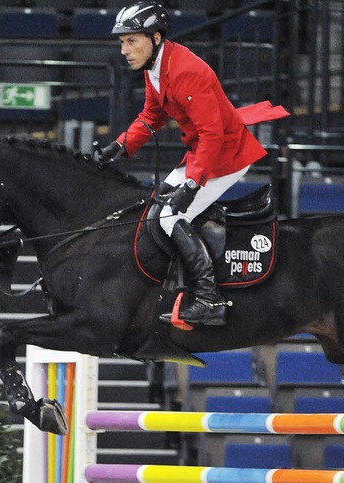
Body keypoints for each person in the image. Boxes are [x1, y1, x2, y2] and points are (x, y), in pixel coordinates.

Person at [97, 1, 268, 326]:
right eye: (122, 42)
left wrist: (192, 184)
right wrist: (119, 145)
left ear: (156, 38)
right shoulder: (156, 68)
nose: (124, 50)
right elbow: (151, 116)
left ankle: (208, 299)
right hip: (203, 151)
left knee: (169, 215)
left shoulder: (186, 71)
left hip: (225, 155)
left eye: (132, 40)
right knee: (157, 206)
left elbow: (213, 135)